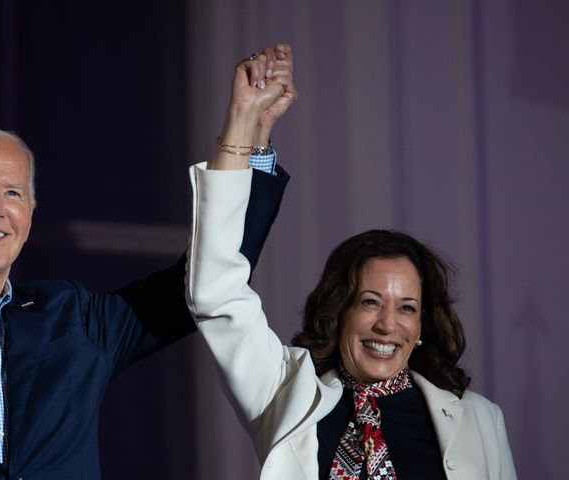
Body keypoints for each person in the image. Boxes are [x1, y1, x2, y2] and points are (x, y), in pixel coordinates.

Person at [0, 44, 295, 479]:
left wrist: (246, 127)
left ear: (29, 214)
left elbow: (214, 275)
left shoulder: (74, 318)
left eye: (13, 192)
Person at [185, 56, 516, 479]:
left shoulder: (480, 420)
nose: (387, 325)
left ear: (420, 330)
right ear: (339, 310)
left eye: (407, 307)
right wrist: (244, 120)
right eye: (370, 301)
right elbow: (216, 290)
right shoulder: (285, 392)